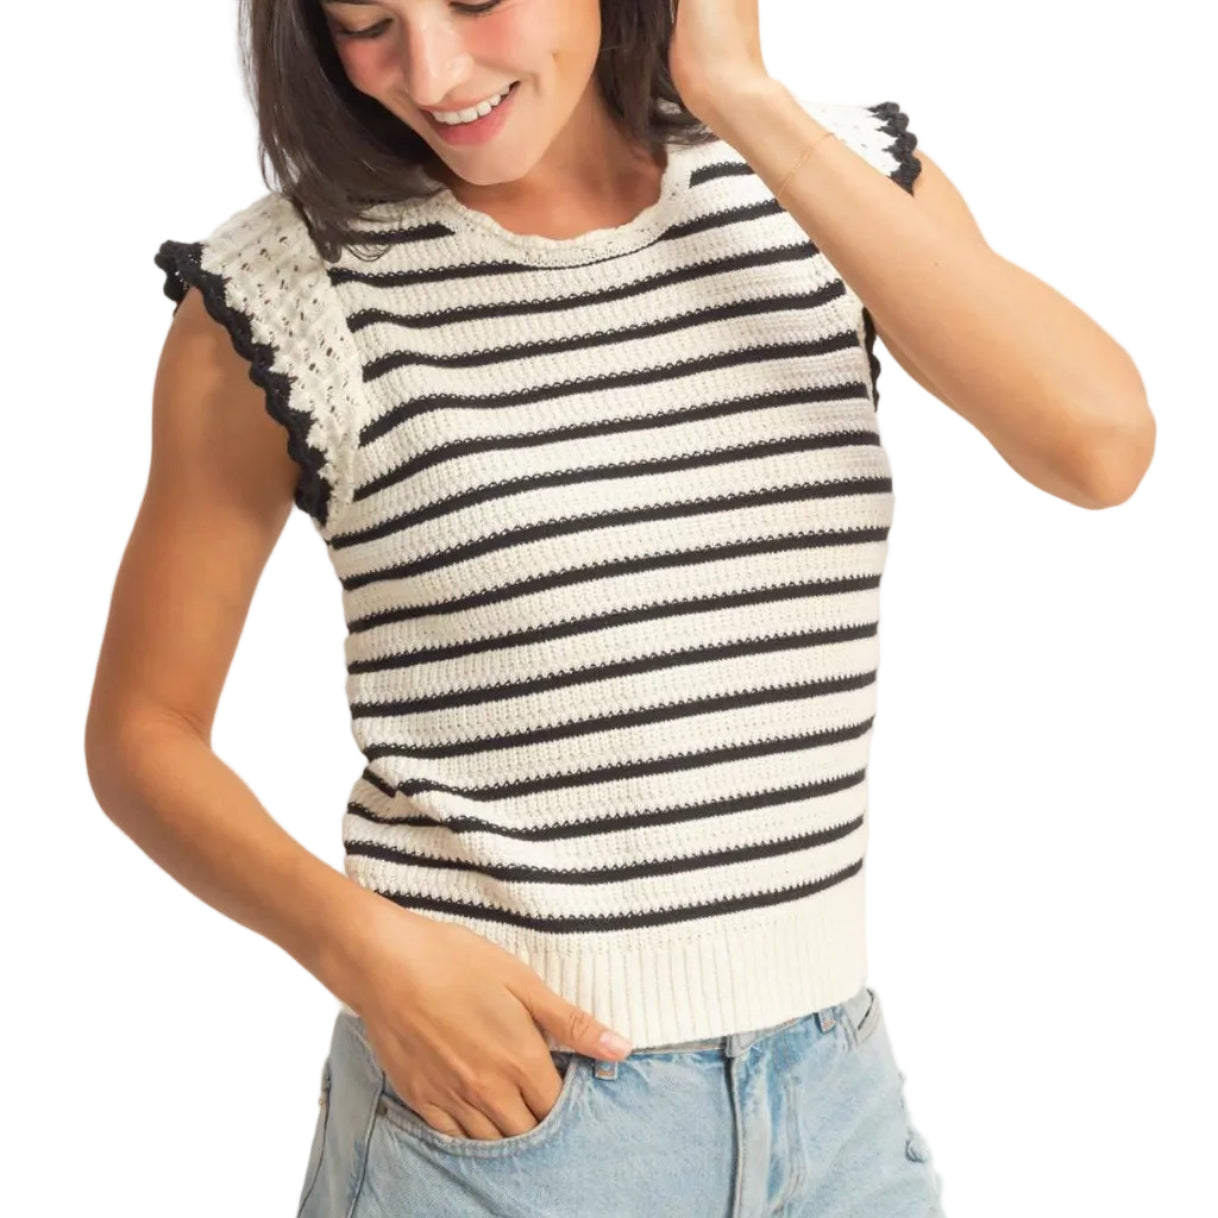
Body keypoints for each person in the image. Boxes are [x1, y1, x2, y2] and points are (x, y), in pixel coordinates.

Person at [85, 1, 1155, 1215]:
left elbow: (1100, 448)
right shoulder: (290, 288)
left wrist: (742, 97)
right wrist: (365, 950)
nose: (431, 72)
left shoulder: (833, 180)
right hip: (503, 1124)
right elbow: (142, 733)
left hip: (835, 1109)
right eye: (367, 21)